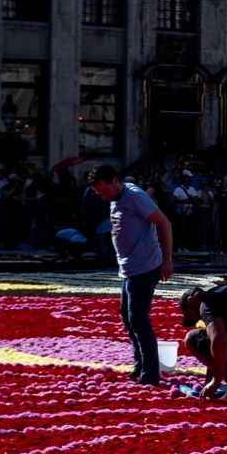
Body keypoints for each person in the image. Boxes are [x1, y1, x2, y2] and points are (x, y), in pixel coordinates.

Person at [89, 164, 173, 384]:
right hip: (129, 267)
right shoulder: (117, 197)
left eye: (105, 191)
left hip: (144, 266)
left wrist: (167, 260)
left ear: (115, 181)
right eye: (99, 193)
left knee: (138, 319)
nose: (104, 197)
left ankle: (150, 373)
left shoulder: (135, 196)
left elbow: (164, 223)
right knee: (128, 318)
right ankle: (140, 365)